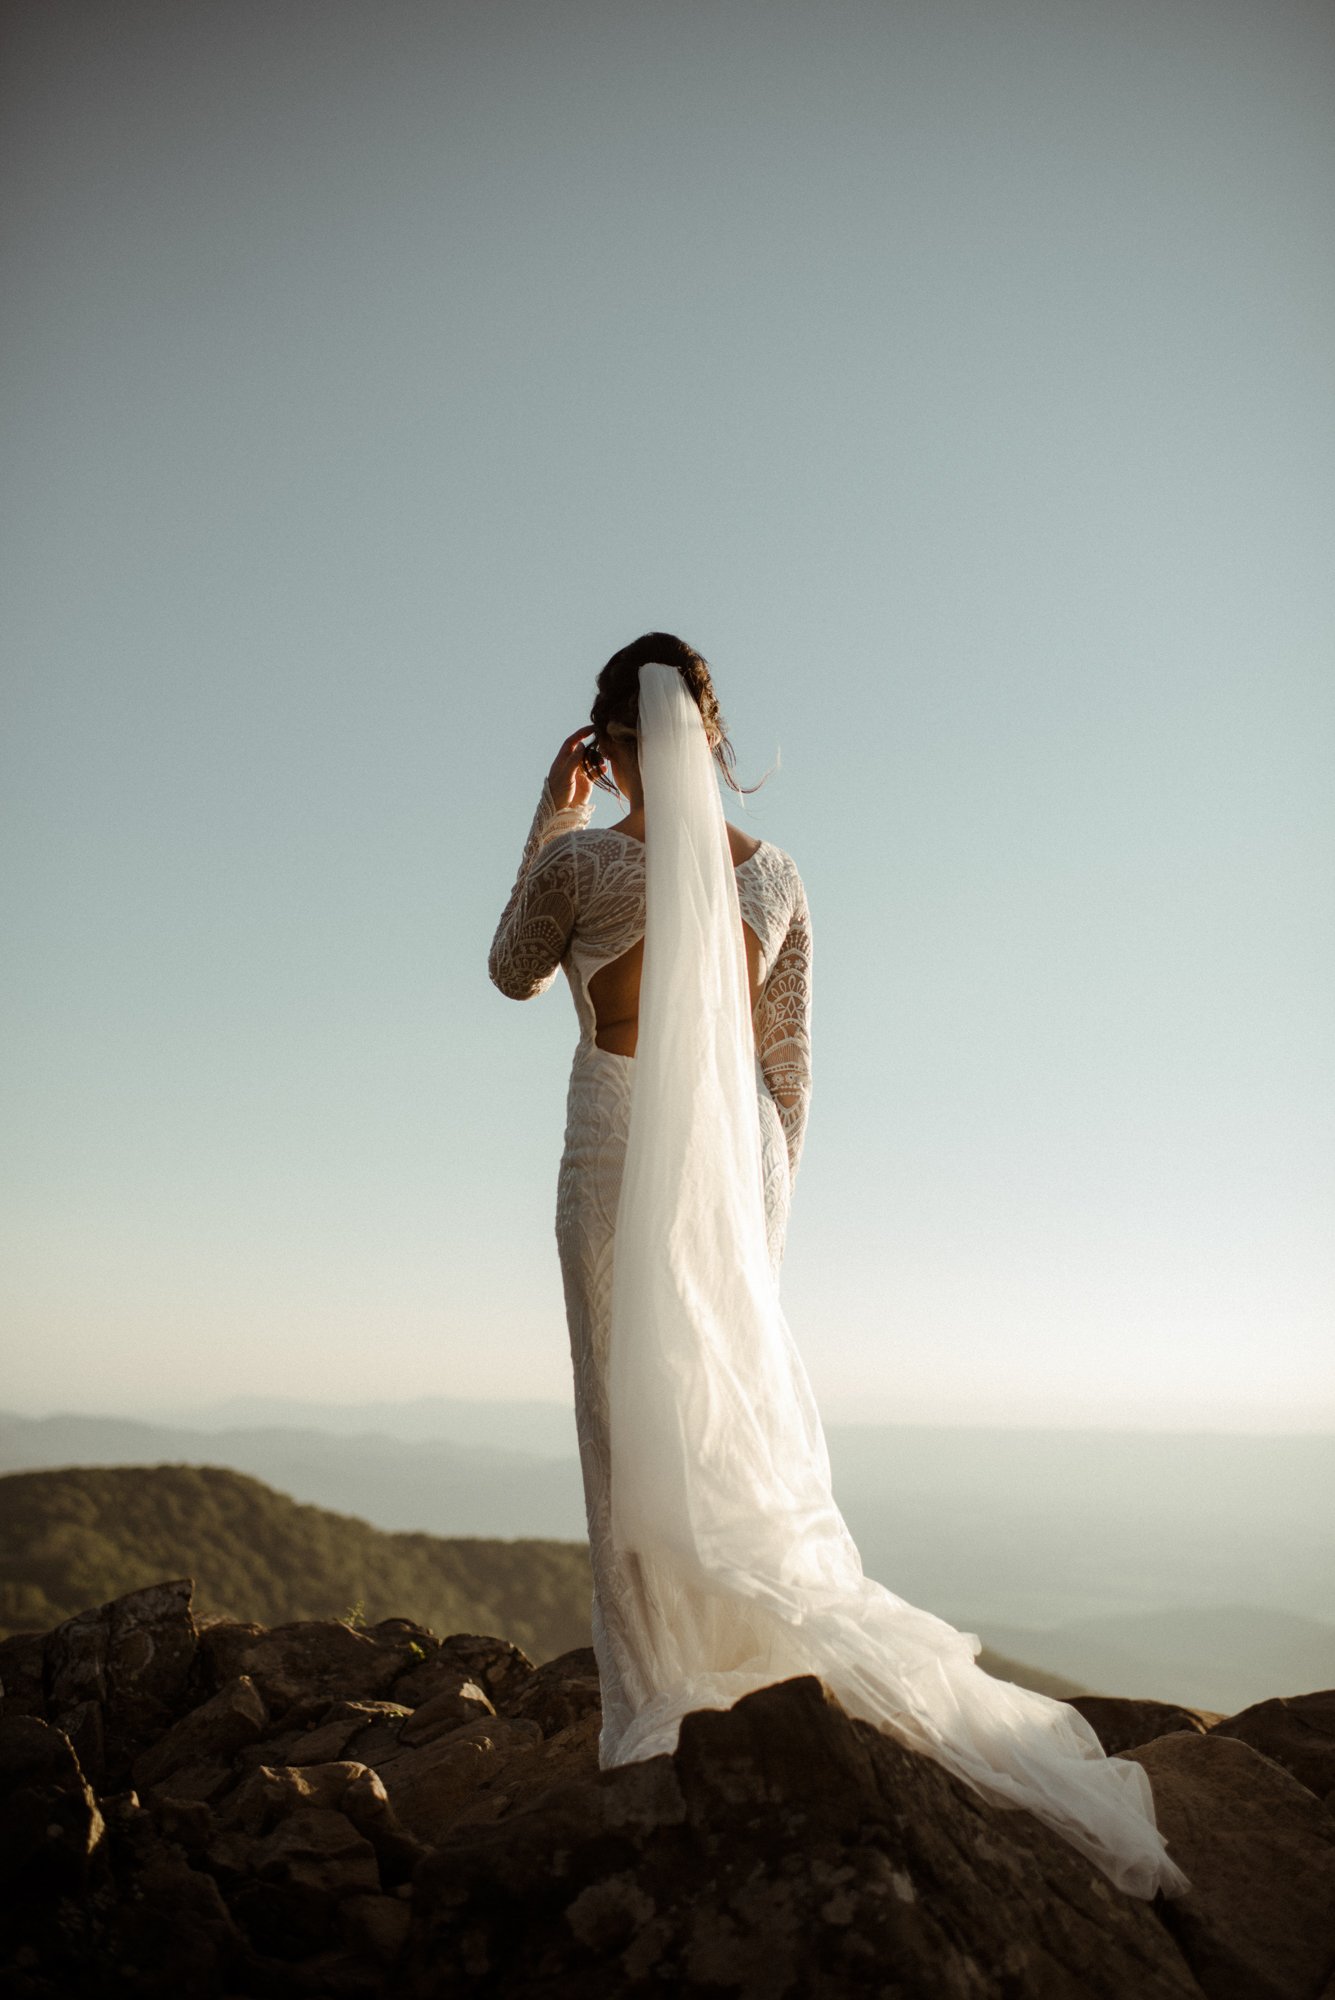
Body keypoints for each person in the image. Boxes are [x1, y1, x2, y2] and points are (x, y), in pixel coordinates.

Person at [488, 633, 1190, 1902]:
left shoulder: (584, 862)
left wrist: (553, 810)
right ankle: (752, 1665)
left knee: (621, 1424)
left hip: (612, 1145)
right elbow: (788, 1069)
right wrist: (760, 1217)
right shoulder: (779, 880)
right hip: (733, 1162)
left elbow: (509, 971)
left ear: (611, 742)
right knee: (724, 1423)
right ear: (715, 736)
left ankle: (647, 1700)